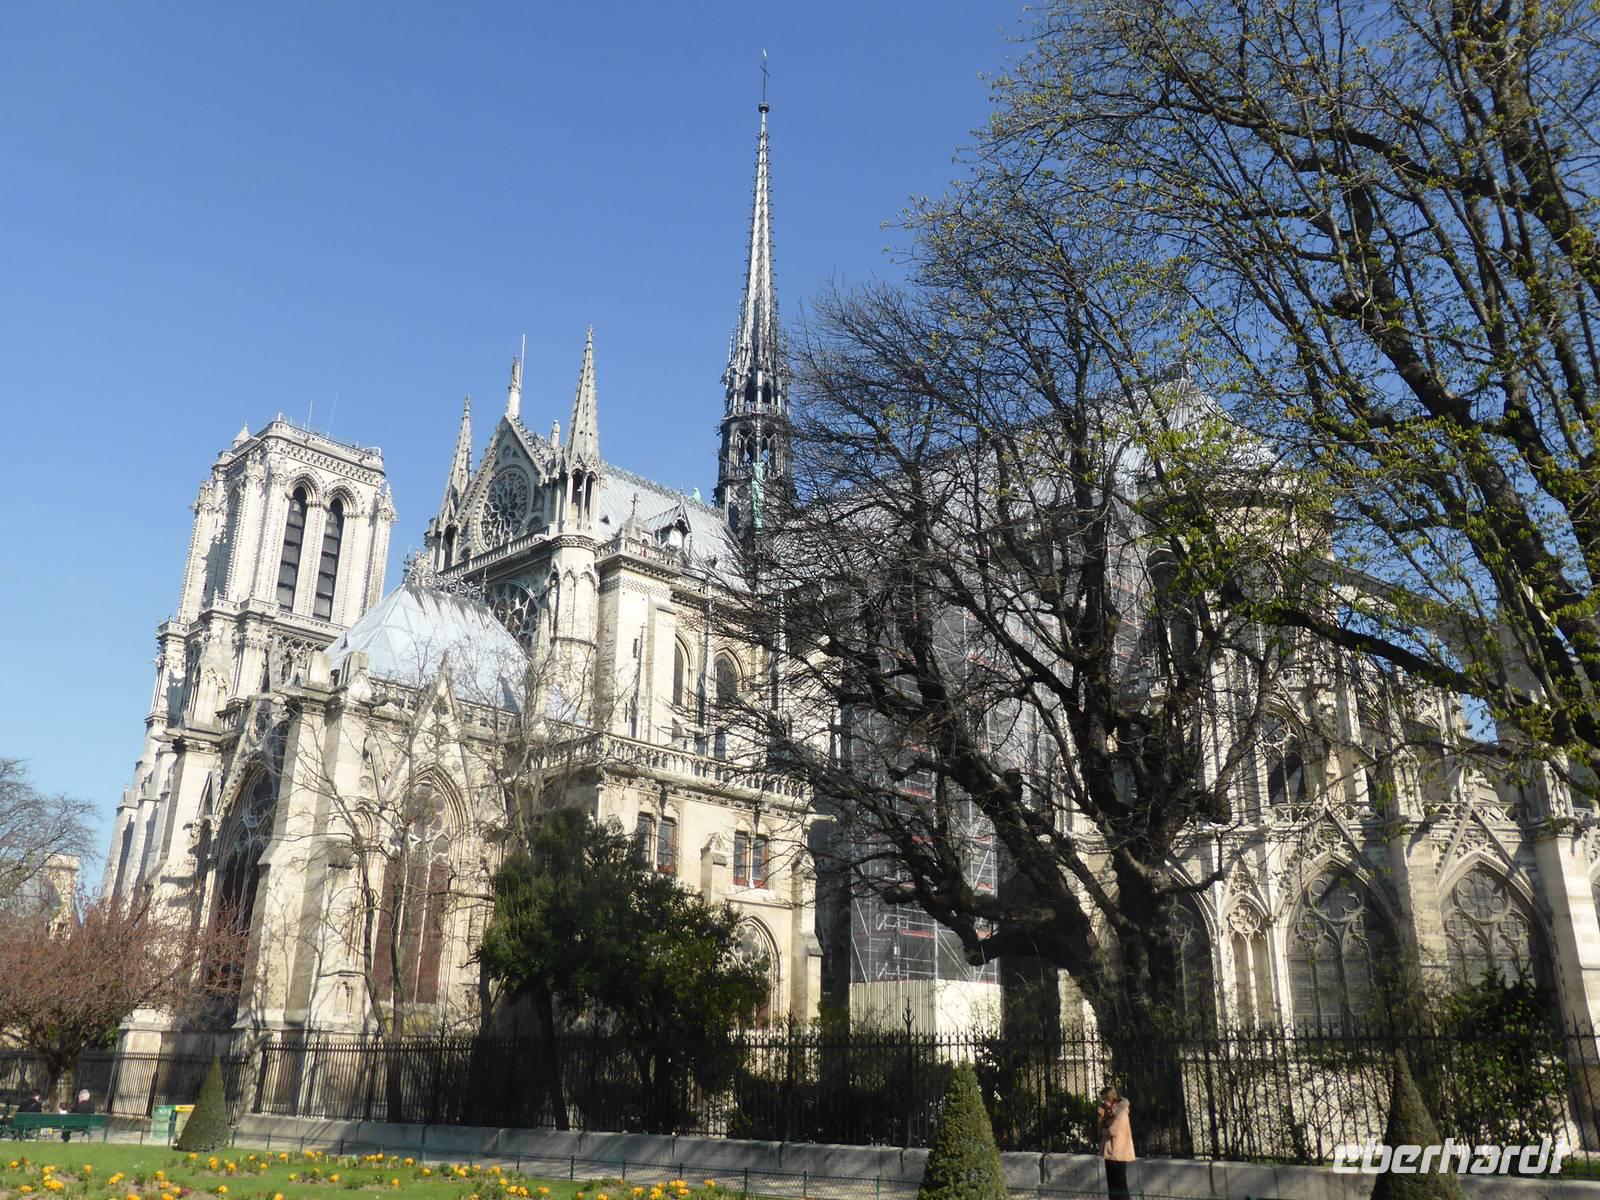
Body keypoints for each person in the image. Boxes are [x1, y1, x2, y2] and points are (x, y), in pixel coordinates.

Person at [1098, 1085, 1135, 1200]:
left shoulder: (1122, 1110)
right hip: (1109, 1151)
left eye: (1105, 1100)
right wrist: (1101, 1116)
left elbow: (1113, 1130)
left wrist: (1104, 1130)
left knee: (1120, 1183)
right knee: (1112, 1184)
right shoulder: (1108, 1112)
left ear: (1110, 1098)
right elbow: (1100, 1128)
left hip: (1119, 1151)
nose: (1104, 1103)